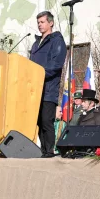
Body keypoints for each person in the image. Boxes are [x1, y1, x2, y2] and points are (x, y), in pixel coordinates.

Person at [30, 11, 66, 158]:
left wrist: (39, 74)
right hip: (34, 89)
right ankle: (43, 151)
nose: (40, 25)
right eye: (38, 22)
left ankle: (49, 151)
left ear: (50, 23)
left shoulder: (56, 41)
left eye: (42, 22)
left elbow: (56, 64)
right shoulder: (35, 44)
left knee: (46, 120)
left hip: (48, 88)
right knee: (38, 121)